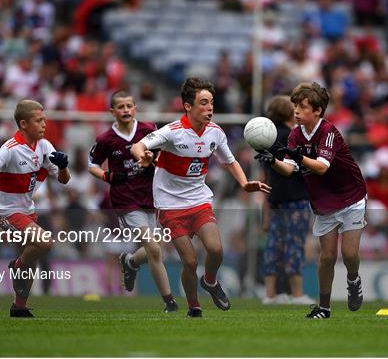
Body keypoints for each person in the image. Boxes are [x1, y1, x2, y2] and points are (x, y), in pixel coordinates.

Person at [131, 77, 271, 318]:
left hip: (199, 201)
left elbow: (230, 161)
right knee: (190, 261)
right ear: (188, 106)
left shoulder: (215, 133)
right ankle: (194, 306)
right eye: (204, 103)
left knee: (216, 250)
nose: (210, 108)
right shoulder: (172, 132)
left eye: (212, 103)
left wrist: (244, 183)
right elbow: (138, 145)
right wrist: (142, 155)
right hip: (169, 205)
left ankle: (210, 281)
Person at [255, 82, 366, 319]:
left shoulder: (328, 132)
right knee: (326, 257)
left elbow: (322, 167)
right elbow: (289, 169)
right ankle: (324, 308)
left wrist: (299, 156)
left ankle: (353, 279)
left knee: (349, 254)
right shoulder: (295, 134)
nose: (296, 110)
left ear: (317, 110)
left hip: (351, 197)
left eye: (302, 106)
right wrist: (272, 160)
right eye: (294, 106)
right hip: (323, 202)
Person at [0, 99, 71, 318]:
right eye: (39, 121)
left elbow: (64, 180)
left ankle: (18, 307)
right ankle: (16, 265)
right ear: (24, 124)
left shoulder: (45, 146)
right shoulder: (10, 149)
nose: (44, 124)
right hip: (6, 212)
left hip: (27, 210)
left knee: (31, 259)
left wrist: (63, 167)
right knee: (44, 242)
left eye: (44, 119)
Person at [88, 90, 178, 313]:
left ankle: (130, 262)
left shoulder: (149, 129)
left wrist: (153, 161)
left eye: (129, 106)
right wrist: (107, 176)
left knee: (157, 250)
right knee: (154, 249)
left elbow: (163, 156)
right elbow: (92, 165)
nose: (126, 110)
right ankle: (170, 302)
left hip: (152, 196)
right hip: (125, 200)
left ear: (135, 108)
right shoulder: (105, 139)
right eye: (121, 107)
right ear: (112, 111)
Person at [261, 95, 314, 305]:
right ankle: (297, 294)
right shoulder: (294, 137)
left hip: (275, 201)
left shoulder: (267, 139)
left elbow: (267, 176)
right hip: (296, 201)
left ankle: (270, 294)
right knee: (295, 246)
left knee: (273, 247)